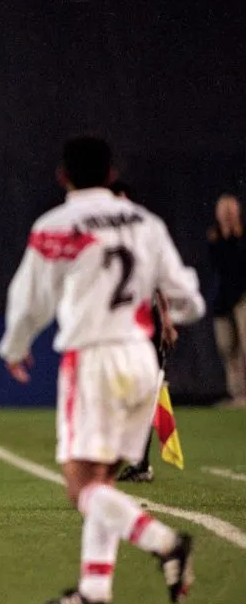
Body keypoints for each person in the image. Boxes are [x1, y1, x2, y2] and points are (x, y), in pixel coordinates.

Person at [0, 137, 205, 604]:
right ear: (112, 174)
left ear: (62, 176)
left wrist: (15, 347)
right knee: (102, 480)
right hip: (141, 358)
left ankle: (166, 543)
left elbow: (30, 301)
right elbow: (188, 300)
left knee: (81, 487)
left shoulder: (57, 225)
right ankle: (95, 586)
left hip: (94, 360)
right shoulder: (146, 223)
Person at [108, 181, 179, 483]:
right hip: (112, 326)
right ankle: (126, 455)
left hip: (141, 323)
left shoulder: (144, 234)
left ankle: (141, 461)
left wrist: (167, 320)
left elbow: (160, 282)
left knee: (146, 389)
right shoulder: (102, 235)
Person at [207, 194, 246, 408]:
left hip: (242, 297)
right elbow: (218, 265)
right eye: (224, 212)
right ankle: (238, 395)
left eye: (231, 212)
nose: (228, 216)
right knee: (227, 348)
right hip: (222, 300)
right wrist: (225, 238)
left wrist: (235, 237)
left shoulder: (243, 236)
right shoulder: (214, 237)